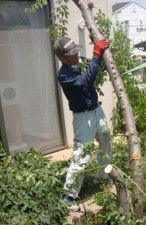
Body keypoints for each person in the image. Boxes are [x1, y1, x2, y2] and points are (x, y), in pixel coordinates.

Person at [54, 37, 112, 211]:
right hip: (82, 117)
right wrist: (96, 55)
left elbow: (95, 68)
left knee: (106, 142)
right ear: (62, 58)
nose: (76, 54)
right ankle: (68, 196)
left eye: (76, 51)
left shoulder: (80, 63)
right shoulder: (64, 76)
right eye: (71, 54)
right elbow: (87, 81)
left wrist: (101, 58)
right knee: (82, 156)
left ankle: (102, 176)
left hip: (97, 111)